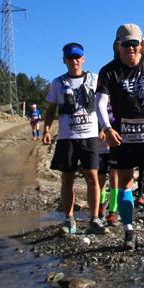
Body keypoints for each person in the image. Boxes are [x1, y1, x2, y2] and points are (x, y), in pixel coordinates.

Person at [96, 24, 144, 250]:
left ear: (141, 44)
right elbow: (99, 102)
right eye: (126, 44)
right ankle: (129, 230)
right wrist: (107, 129)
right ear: (117, 46)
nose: (131, 48)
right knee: (124, 183)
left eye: (134, 43)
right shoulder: (109, 71)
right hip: (123, 132)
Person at [42, 42, 104, 235]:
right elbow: (51, 108)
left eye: (77, 57)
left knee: (92, 177)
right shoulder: (57, 83)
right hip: (67, 137)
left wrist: (105, 128)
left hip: (90, 136)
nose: (74, 61)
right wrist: (46, 129)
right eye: (70, 57)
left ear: (83, 59)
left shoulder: (95, 79)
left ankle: (94, 219)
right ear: (64, 60)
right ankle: (69, 220)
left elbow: (104, 105)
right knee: (66, 178)